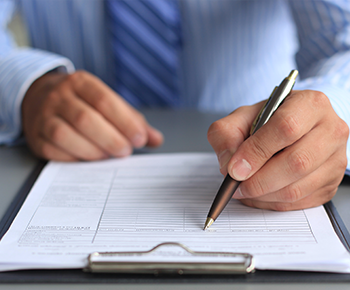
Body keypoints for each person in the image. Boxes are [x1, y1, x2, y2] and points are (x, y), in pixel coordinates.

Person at [0, 0, 349, 212]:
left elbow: (343, 36)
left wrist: (324, 115)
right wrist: (26, 86)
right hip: (63, 151)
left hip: (263, 144)